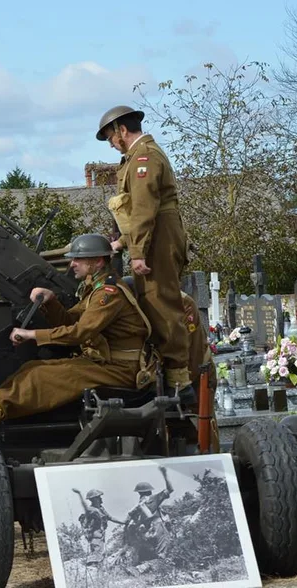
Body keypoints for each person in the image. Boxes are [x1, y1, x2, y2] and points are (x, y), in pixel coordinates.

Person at [0, 234, 153, 425]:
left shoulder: (109, 294)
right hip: (104, 363)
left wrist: (31, 335)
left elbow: (80, 332)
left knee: (40, 377)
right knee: (32, 368)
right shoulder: (96, 288)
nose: (72, 264)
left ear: (98, 261)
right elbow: (70, 320)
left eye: (78, 259)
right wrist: (51, 301)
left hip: (120, 369)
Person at [97, 104, 192, 396]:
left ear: (122, 131)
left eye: (112, 138)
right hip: (154, 238)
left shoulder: (144, 157)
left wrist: (136, 253)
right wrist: (123, 243)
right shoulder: (137, 157)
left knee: (161, 304)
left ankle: (180, 381)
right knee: (153, 303)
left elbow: (144, 208)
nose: (113, 145)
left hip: (157, 241)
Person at [124, 467, 174, 566]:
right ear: (149, 491)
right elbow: (170, 489)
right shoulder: (153, 499)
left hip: (146, 532)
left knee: (154, 552)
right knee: (163, 553)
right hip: (158, 526)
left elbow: (129, 519)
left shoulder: (138, 505)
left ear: (139, 492)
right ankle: (153, 569)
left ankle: (144, 566)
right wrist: (165, 474)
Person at [72, 488, 125, 570]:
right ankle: (92, 574)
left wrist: (123, 522)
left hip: (101, 537)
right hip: (95, 537)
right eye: (98, 497)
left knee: (100, 556)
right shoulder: (91, 510)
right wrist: (79, 494)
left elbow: (110, 517)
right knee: (95, 558)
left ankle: (98, 575)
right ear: (93, 499)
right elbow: (84, 506)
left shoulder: (101, 509)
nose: (101, 499)